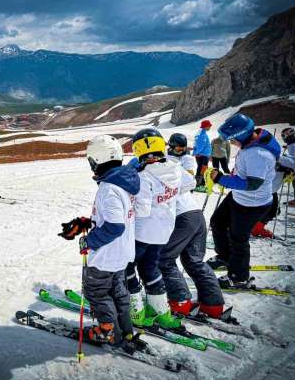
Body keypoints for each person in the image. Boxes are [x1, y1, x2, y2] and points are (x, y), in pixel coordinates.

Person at [58, 135, 144, 352]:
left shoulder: (109, 189)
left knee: (96, 291)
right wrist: (87, 222)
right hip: (122, 253)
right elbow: (116, 218)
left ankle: (107, 331)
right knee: (118, 291)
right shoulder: (123, 182)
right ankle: (125, 330)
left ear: (97, 160)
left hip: (106, 254)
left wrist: (89, 240)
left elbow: (115, 226)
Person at [206, 113, 280, 288]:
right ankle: (225, 256)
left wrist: (221, 179)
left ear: (240, 136)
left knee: (238, 238)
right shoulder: (252, 143)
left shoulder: (257, 154)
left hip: (252, 203)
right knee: (217, 221)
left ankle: (239, 277)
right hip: (239, 197)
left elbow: (252, 184)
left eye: (232, 140)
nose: (231, 144)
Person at [159, 133, 225, 319]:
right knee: (193, 261)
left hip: (183, 217)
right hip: (196, 214)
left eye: (182, 147)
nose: (179, 150)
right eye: (176, 147)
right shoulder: (167, 163)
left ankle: (181, 302)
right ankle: (213, 305)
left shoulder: (178, 163)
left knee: (164, 258)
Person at [126, 128, 183, 329]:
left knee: (127, 267)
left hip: (142, 232)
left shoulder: (143, 176)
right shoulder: (175, 167)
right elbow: (188, 183)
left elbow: (142, 210)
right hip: (164, 230)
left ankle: (136, 311)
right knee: (150, 267)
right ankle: (161, 310)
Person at [193, 119, 212, 192]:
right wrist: (197, 152)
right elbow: (201, 145)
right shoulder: (202, 134)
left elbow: (197, 145)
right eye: (209, 126)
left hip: (203, 155)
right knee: (202, 170)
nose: (210, 127)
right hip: (202, 155)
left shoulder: (201, 133)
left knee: (201, 169)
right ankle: (199, 185)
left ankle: (199, 184)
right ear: (205, 126)